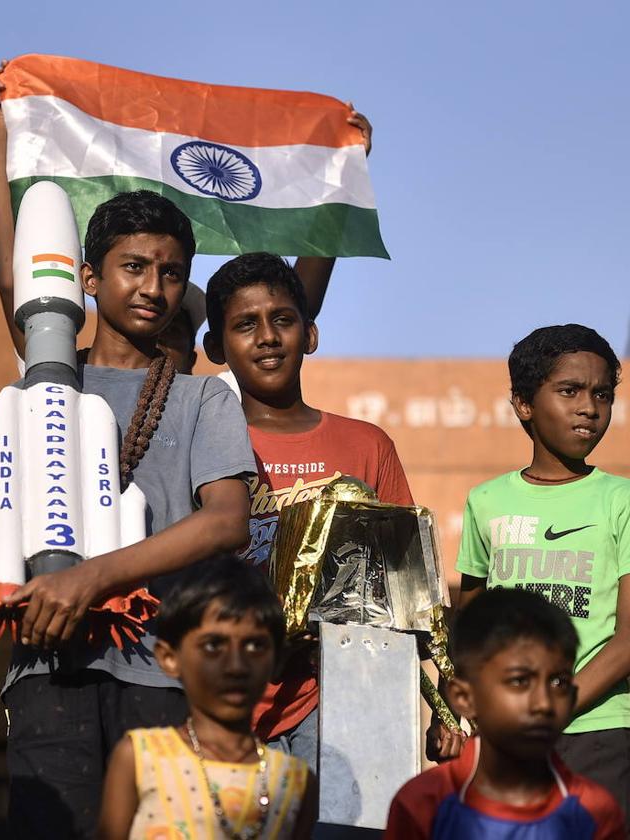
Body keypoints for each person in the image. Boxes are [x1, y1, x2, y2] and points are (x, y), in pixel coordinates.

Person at [0, 70, 257, 839]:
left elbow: (226, 523)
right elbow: (13, 276)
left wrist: (93, 576)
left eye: (172, 273)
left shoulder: (206, 398)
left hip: (163, 672)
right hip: (48, 668)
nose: (154, 287)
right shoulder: (49, 373)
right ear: (88, 278)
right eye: (134, 267)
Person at [200, 252, 456, 771]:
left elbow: (411, 589)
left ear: (310, 335)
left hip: (349, 698)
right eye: (245, 325)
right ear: (215, 347)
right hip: (233, 699)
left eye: (284, 320)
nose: (268, 337)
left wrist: (444, 701)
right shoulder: (204, 443)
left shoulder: (367, 444)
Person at [0, 62, 371, 380]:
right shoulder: (60, 371)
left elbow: (299, 302)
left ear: (198, 354)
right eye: (135, 267)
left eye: (174, 335)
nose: (152, 295)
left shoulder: (209, 405)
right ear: (90, 278)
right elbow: (15, 285)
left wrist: (338, 181)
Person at [456, 324, 630, 817]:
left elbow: (628, 638)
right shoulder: (486, 501)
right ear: (524, 404)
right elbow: (470, 625)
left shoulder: (622, 500)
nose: (589, 408)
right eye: (569, 390)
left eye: (602, 394)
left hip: (598, 731)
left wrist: (554, 706)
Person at [98, 561, 316, 839]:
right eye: (213, 646)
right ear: (170, 658)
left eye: (255, 645)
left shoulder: (295, 782)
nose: (236, 664)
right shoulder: (140, 759)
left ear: (276, 658)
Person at [385, 588, 625, 838]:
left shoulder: (595, 812)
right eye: (519, 682)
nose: (543, 702)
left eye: (558, 683)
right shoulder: (422, 806)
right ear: (464, 698)